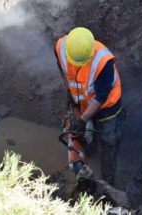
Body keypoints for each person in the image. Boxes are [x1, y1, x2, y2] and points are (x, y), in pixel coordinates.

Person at [55, 27, 126, 185]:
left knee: (109, 139)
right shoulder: (61, 47)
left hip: (108, 105)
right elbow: (62, 70)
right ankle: (87, 152)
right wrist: (70, 95)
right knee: (81, 131)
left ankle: (108, 181)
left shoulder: (103, 62)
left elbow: (101, 97)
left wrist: (83, 119)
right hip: (82, 98)